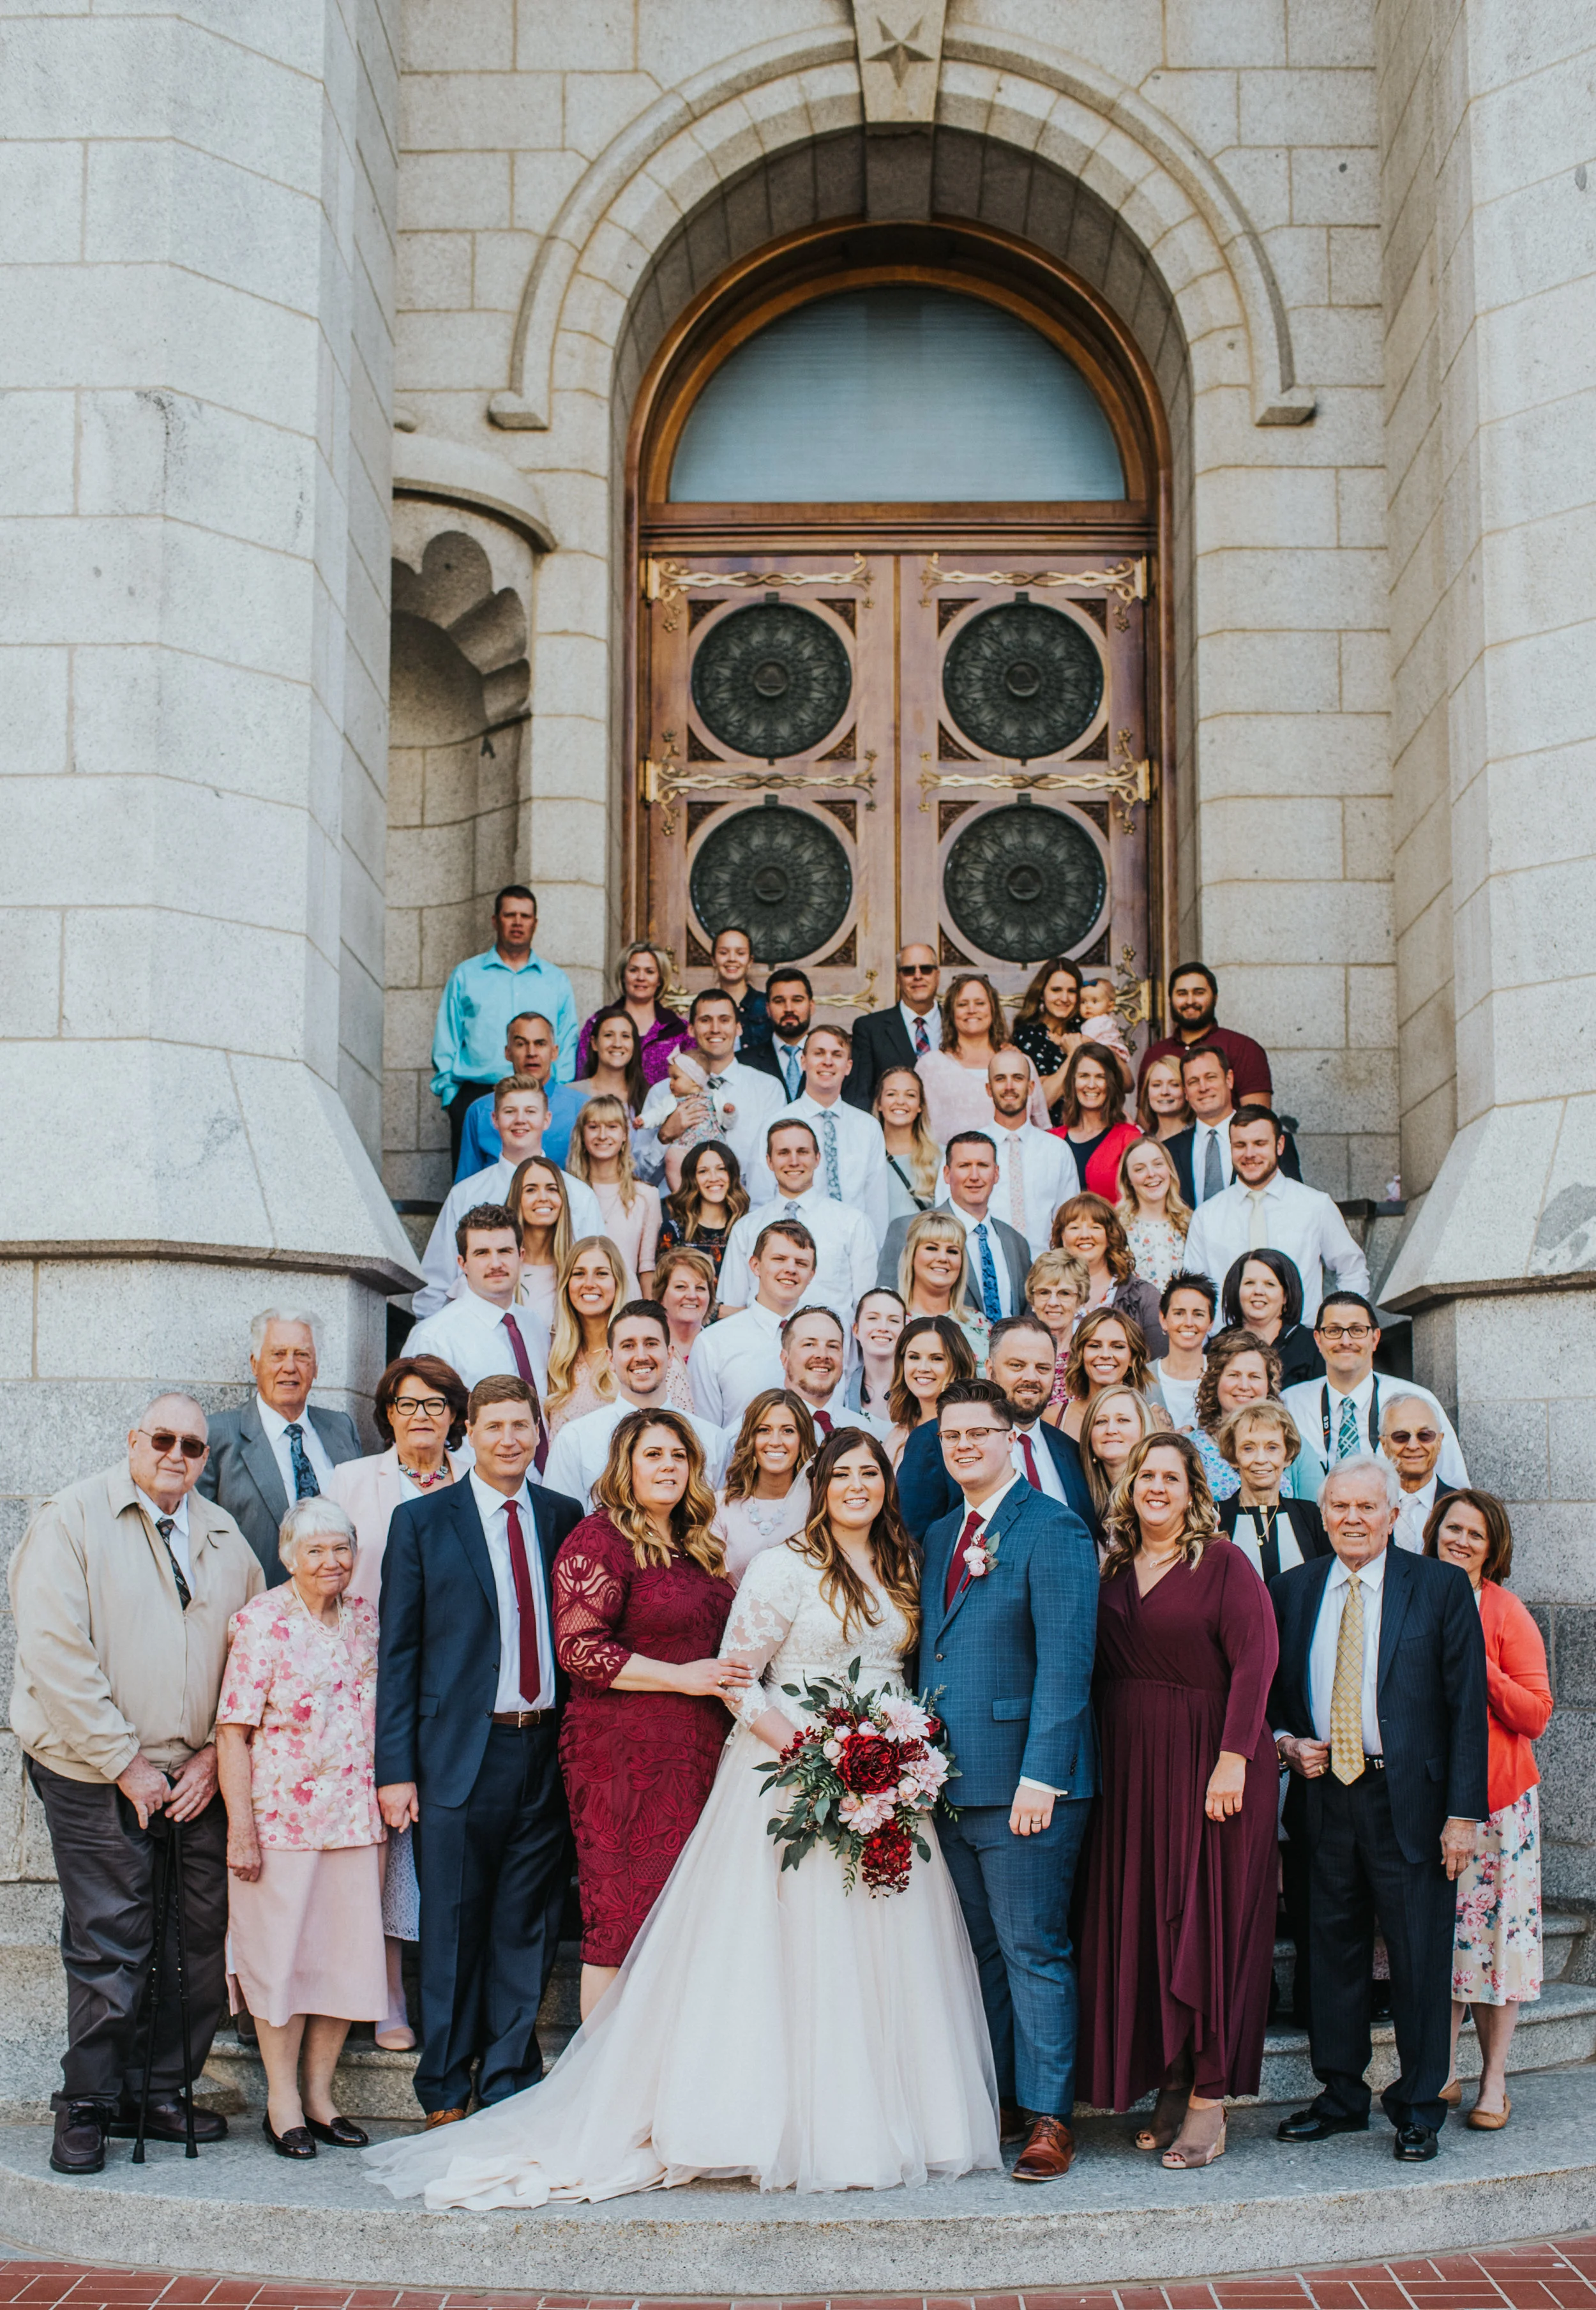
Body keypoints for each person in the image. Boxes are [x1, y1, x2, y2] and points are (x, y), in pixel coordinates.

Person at [366, 1427, 1000, 2207]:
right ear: (818, 1486)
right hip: (730, 1760)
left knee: (879, 1949)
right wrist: (820, 1757)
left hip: (837, 1776)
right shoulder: (758, 1562)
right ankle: (613, 2096)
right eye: (842, 1474)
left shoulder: (878, 1562)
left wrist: (896, 1763)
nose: (857, 1486)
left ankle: (890, 2114)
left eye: (871, 1473)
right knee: (667, 1927)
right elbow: (723, 1674)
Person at [10, 1396, 262, 2175]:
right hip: (91, 1769)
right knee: (109, 1939)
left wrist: (211, 1763)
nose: (177, 1454)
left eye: (193, 1444)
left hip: (194, 1775)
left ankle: (155, 2090)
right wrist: (125, 1763)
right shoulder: (73, 1517)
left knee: (197, 1940)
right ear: (134, 1442)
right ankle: (86, 2102)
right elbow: (54, 1651)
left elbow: (253, 1657)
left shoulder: (223, 1537)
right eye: (163, 1439)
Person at [373, 1375, 585, 2127]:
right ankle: (442, 2085)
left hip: (544, 1749)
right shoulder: (423, 1522)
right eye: (493, 1426)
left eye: (521, 1426)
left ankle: (505, 2076)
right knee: (455, 1923)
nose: (508, 1439)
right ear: (468, 1431)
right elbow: (396, 1654)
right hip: (458, 1754)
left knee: (524, 1922)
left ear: (537, 1433)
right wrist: (393, 1769)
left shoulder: (565, 1517)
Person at [1270, 1454, 1488, 2162]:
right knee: (1329, 1949)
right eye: (1339, 1508)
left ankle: (1418, 2105)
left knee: (1419, 1953)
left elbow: (1465, 1709)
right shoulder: (1293, 1590)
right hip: (1324, 1796)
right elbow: (1273, 1697)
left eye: (1367, 1507)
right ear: (1323, 1514)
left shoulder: (1440, 1587)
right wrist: (1283, 1741)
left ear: (1394, 1515)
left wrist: (1463, 1813)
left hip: (1413, 1802)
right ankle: (1339, 2096)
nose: (1353, 1519)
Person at [1076, 1433, 1281, 2169]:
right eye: (1145, 1476)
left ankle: (1209, 2097)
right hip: (1132, 1773)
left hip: (1210, 1768)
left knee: (1209, 1924)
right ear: (1128, 1488)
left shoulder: (1221, 1563)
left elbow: (1257, 1664)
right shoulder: (1113, 1569)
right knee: (1150, 1926)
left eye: (1171, 1476)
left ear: (1195, 1489)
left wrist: (1232, 1760)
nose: (1156, 1487)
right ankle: (1170, 2075)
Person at [924, 1379, 1099, 2182]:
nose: (963, 1447)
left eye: (978, 1434)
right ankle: (996, 2094)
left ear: (1010, 1439)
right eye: (951, 1436)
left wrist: (1043, 1777)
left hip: (1028, 1786)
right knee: (981, 1952)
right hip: (949, 1783)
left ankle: (1049, 2118)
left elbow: (1068, 1664)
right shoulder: (937, 1537)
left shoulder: (1052, 1529)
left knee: (1033, 1948)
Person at [552, 1410, 743, 2018]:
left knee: (683, 1920)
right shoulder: (599, 1538)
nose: (668, 1467)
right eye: (653, 1455)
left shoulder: (697, 1544)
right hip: (621, 1760)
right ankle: (600, 2088)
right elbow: (577, 1647)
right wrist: (681, 1679)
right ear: (625, 1468)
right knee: (620, 1920)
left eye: (679, 1457)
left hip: (697, 1754)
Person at [216, 1498, 387, 2157]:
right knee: (279, 1963)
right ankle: (280, 2103)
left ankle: (320, 2098)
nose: (330, 1561)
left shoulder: (365, 1620)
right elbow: (233, 1733)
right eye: (314, 1550)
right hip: (280, 1823)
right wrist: (240, 1831)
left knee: (344, 1965)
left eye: (340, 1548)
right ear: (288, 1556)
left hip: (355, 1820)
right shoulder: (261, 1622)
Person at [327, 1355, 471, 2052]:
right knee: (385, 1841)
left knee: (435, 1839)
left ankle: (440, 1990)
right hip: (370, 1680)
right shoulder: (354, 1482)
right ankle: (386, 1997)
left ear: (454, 1415)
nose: (421, 1416)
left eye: (436, 1404)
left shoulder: (479, 1480)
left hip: (455, 1684)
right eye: (408, 1404)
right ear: (387, 1413)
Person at [1429, 1491, 1552, 2129]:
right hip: (1431, 1802)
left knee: (1496, 1947)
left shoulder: (1505, 1611)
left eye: (1474, 1534)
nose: (1461, 1540)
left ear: (1491, 1546)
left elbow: (1535, 1714)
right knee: (1442, 1943)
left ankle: (1493, 2082)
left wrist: (1481, 1665)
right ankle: (1442, 2070)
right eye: (1452, 1528)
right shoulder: (1417, 1596)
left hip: (1498, 1808)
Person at [198, 1310, 362, 1589]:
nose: (290, 1366)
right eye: (278, 1354)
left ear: (316, 1368)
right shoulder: (217, 1435)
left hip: (338, 1614)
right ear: (254, 1363)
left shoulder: (341, 1428)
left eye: (302, 1355)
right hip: (254, 1609)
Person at [898, 1316, 1098, 1542]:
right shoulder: (934, 1441)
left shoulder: (1070, 1450)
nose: (1031, 1377)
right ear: (990, 1370)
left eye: (1043, 1368)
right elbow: (912, 1541)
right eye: (1017, 1365)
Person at [417, 1075, 602, 1314]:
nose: (520, 1120)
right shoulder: (466, 1194)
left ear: (547, 1120)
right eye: (510, 1112)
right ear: (495, 1120)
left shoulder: (579, 1195)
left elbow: (595, 1270)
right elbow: (436, 1283)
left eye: (530, 1111)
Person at [432, 886, 578, 1172]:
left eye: (525, 916)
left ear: (535, 923)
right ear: (495, 920)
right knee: (473, 1186)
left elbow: (568, 1039)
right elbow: (446, 1036)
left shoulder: (556, 980)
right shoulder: (466, 975)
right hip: (477, 1094)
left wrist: (557, 1095)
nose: (517, 922)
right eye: (509, 915)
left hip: (540, 1096)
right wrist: (453, 1098)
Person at [543, 1300, 728, 1509]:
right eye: (628, 1346)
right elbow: (561, 1527)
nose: (641, 1356)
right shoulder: (575, 1440)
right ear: (611, 1359)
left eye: (651, 1343)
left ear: (669, 1354)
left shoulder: (712, 1440)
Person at [1185, 1107, 1370, 1314]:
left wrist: (1342, 1324)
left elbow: (1352, 1269)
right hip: (1228, 1342)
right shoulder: (1207, 1216)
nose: (1249, 1154)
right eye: (1240, 1145)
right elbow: (1193, 1289)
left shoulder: (1315, 1206)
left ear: (1280, 1145)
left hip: (1300, 1338)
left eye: (1259, 1144)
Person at [1282, 1292, 1468, 1484]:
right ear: (1318, 1339)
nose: (1346, 1341)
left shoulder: (1418, 1400)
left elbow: (1455, 1485)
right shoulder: (1291, 1404)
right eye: (1333, 1331)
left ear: (1375, 1338)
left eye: (1357, 1330)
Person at [747, 1023, 891, 1244]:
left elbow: (877, 1204)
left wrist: (875, 1253)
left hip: (854, 1245)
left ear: (849, 1066)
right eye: (819, 1053)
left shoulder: (868, 1127)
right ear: (803, 1061)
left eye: (837, 1054)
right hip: (794, 1247)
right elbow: (761, 1198)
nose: (828, 1061)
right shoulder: (776, 1124)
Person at [718, 1118, 877, 1316]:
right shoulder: (746, 1228)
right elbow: (732, 1308)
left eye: (803, 1152)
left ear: (817, 1158)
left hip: (830, 1343)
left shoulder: (853, 1223)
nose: (794, 1161)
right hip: (763, 1345)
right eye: (783, 1153)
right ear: (769, 1161)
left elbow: (868, 1308)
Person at [878, 1132, 1030, 1331]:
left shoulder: (1016, 1241)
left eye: (983, 1166)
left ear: (996, 1173)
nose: (974, 1176)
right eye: (964, 1166)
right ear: (947, 1174)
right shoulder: (907, 1230)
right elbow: (885, 1307)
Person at [405, 1204, 552, 1397]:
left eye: (505, 1251)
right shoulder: (434, 1339)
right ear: (462, 1264)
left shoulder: (536, 1327)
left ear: (521, 1256)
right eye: (482, 1253)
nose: (496, 1264)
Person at [640, 988, 782, 1186]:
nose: (715, 1029)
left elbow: (776, 1167)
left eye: (724, 1020)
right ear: (691, 1029)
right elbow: (640, 1176)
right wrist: (664, 1136)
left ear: (739, 1028)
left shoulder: (768, 1089)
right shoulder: (663, 1092)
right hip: (678, 1210)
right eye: (705, 1020)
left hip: (747, 1210)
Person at [687, 1218, 818, 1426]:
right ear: (755, 1266)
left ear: (811, 1275)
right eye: (779, 1259)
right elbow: (707, 1435)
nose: (791, 1269)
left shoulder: (830, 1338)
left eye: (801, 1263)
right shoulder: (713, 1343)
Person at [916, 970, 1048, 1144]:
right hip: (948, 1166)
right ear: (951, 1012)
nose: (972, 1010)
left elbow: (1042, 1126)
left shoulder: (1019, 1063)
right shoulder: (930, 1065)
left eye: (980, 1003)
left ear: (993, 1009)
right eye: (963, 1004)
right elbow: (917, 1130)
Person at [1193, 1328, 1322, 1505]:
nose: (1244, 1386)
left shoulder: (1292, 1443)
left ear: (1269, 1386)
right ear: (1215, 1381)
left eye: (1255, 1376)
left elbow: (1315, 1513)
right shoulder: (1190, 1448)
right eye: (1234, 1375)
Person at [456, 1011, 589, 1179]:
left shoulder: (583, 1109)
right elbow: (466, 1185)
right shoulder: (480, 1111)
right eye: (521, 1044)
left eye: (540, 1044)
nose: (531, 1052)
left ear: (554, 1052)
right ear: (508, 1052)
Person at [710, 1388, 816, 1583]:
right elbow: (715, 1586)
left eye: (788, 1431)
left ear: (803, 1439)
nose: (775, 1442)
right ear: (750, 1438)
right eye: (764, 1430)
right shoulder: (720, 1507)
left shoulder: (819, 1506)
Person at [1137, 962, 1274, 1109]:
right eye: (1182, 994)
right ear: (1170, 1000)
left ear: (1215, 998)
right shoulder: (1155, 1054)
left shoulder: (1243, 1049)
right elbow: (1145, 1119)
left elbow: (1258, 1120)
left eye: (1199, 992)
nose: (1190, 1001)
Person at [986, 1046, 1080, 1257]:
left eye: (1017, 1078)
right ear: (988, 1089)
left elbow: (1069, 1221)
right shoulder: (968, 1149)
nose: (1009, 1087)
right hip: (986, 1275)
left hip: (1046, 1275)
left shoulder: (1057, 1150)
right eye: (1000, 1079)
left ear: (1030, 1087)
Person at [1216, 1401, 1330, 1573]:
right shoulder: (1215, 1518)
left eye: (1272, 1447)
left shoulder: (1312, 1517)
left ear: (1288, 1455)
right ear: (1233, 1456)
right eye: (1248, 1448)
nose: (1261, 1459)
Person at [567, 1092, 661, 1297]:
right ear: (582, 1135)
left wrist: (650, 1315)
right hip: (577, 1301)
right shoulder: (566, 1192)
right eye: (593, 1127)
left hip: (627, 1303)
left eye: (612, 1127)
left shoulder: (646, 1196)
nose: (602, 1135)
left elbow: (647, 1267)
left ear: (625, 1134)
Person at [1050, 1191, 1166, 1348]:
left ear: (1110, 1236)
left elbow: (1158, 1361)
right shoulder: (1044, 1295)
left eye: (1095, 1227)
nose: (1085, 1235)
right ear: (1061, 1237)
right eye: (1075, 1227)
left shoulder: (1144, 1297)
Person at [544, 1235, 629, 1438]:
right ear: (567, 1284)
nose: (589, 1284)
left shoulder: (643, 1353)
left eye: (601, 1274)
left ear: (618, 1282)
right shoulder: (555, 1356)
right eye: (579, 1274)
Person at [841, 941, 943, 1109]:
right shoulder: (870, 1029)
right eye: (909, 971)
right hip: (891, 1131)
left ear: (937, 975)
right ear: (898, 978)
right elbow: (860, 1095)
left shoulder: (956, 1023)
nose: (918, 976)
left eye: (926, 969)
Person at [574, 940, 688, 1088]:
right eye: (633, 970)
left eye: (649, 972)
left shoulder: (679, 1029)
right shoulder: (598, 1023)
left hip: (665, 1109)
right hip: (608, 1108)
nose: (641, 977)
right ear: (623, 975)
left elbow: (691, 1081)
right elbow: (582, 1074)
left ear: (660, 979)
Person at [1049, 1304, 1157, 1444]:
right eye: (1094, 1346)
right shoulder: (1054, 1416)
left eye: (1117, 1346)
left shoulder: (1154, 1417)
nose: (1105, 1355)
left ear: (1132, 1357)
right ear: (1080, 1354)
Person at [890, 1207, 987, 1363]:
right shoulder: (891, 1322)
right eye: (932, 1248)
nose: (943, 1258)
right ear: (911, 1256)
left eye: (953, 1251)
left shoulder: (979, 1324)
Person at [884, 1313, 978, 1466]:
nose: (923, 1368)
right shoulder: (897, 1435)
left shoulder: (977, 1432)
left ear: (958, 1365)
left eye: (937, 1359)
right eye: (914, 1357)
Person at [1221, 1248, 1323, 1387]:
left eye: (1270, 1284)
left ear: (1286, 1296)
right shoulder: (1219, 1345)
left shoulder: (1314, 1347)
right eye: (1249, 1283)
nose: (1258, 1291)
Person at [1052, 1044, 1140, 1201]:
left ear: (1111, 1083)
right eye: (1084, 1076)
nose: (1091, 1085)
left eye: (1101, 1077)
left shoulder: (1129, 1138)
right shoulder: (1052, 1139)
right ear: (1073, 1082)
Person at [506, 1152, 575, 1350]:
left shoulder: (578, 1269)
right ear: (517, 1198)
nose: (543, 1198)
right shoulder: (498, 1269)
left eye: (552, 1189)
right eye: (531, 1190)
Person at [656, 1140, 749, 1285]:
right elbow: (664, 1288)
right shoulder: (674, 1231)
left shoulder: (748, 1229)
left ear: (732, 1175)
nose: (713, 1178)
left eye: (721, 1169)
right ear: (692, 1179)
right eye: (703, 1171)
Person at [780, 1304, 878, 1440]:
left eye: (832, 1346)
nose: (823, 1355)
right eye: (809, 1344)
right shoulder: (759, 1427)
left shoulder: (862, 1430)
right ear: (785, 1359)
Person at [1011, 955, 1089, 1121]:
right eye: (1056, 990)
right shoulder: (1028, 1034)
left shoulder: (1086, 1028)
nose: (1064, 998)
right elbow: (1043, 1100)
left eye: (1072, 991)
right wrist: (1075, 1054)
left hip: (1088, 1130)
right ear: (1041, 993)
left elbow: (1126, 1083)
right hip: (1048, 1133)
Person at [1165, 1043, 1239, 1209]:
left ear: (1229, 1080)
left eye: (1211, 1077)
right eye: (1194, 1082)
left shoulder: (1267, 1140)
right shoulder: (1168, 1151)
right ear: (1186, 1092)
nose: (1203, 1088)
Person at [1382, 1394, 1458, 1553]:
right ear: (1384, 1444)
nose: (1413, 1445)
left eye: (1425, 1436)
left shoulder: (1461, 1507)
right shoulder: (1366, 1505)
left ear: (1439, 1441)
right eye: (1401, 1437)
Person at [1078, 1385, 1161, 1528]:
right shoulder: (1082, 1499)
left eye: (1123, 1420)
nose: (1110, 1430)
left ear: (1144, 1427)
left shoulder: (1158, 1494)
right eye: (1101, 1422)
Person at [1117, 1136, 1189, 1290]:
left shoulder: (1190, 1223)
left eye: (1158, 1164)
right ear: (1128, 1179)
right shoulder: (1117, 1228)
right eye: (1139, 1169)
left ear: (1169, 1169)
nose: (1151, 1174)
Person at [1150, 1269, 1217, 1433]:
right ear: (1163, 1319)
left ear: (1211, 1323)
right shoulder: (1142, 1379)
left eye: (1198, 1314)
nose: (1188, 1322)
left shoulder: (1223, 1376)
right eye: (1179, 1313)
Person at [875, 1062, 942, 1219]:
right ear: (879, 1103)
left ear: (920, 1106)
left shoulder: (941, 1157)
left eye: (910, 1095)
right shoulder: (865, 1157)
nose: (900, 1101)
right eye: (891, 1094)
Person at [1027, 1249, 1091, 1410]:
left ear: (1080, 1300)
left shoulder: (1089, 1355)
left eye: (1064, 1293)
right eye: (1044, 1293)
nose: (1053, 1302)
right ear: (1032, 1301)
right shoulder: (1017, 1354)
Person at [737, 964, 814, 1100]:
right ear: (768, 1009)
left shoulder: (832, 1061)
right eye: (779, 1001)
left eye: (797, 1000)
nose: (789, 1008)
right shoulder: (743, 1062)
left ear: (811, 1006)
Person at [651, 1242, 716, 1391]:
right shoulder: (648, 1350)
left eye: (700, 1288)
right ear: (661, 1295)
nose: (692, 1296)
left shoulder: (720, 1348)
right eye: (681, 1287)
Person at [569, 1007, 649, 1126]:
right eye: (608, 1035)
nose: (617, 1044)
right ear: (594, 1043)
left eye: (625, 1036)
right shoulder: (571, 1094)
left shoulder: (647, 1097)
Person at [709, 924, 769, 1052]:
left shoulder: (766, 1005)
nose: (732, 959)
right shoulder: (705, 1006)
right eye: (723, 953)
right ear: (713, 960)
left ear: (750, 961)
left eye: (740, 953)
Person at [848, 1285, 905, 1419]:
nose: (883, 1328)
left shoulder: (918, 1386)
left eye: (894, 1320)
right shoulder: (842, 1388)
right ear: (856, 1330)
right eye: (873, 1318)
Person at [1136, 1050, 1190, 1144]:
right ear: (1147, 1093)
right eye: (1157, 1085)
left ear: (1186, 1091)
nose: (1165, 1092)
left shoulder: (1199, 1138)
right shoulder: (1145, 1144)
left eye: (1174, 1085)